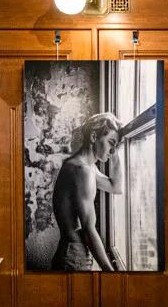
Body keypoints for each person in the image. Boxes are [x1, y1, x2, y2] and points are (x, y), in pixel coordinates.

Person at [49, 112, 124, 271]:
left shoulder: (87, 166)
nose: (112, 150)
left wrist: (115, 153)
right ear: (94, 136)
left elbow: (116, 187)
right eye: (110, 143)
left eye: (115, 145)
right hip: (74, 256)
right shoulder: (81, 170)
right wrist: (110, 272)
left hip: (71, 252)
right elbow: (88, 229)